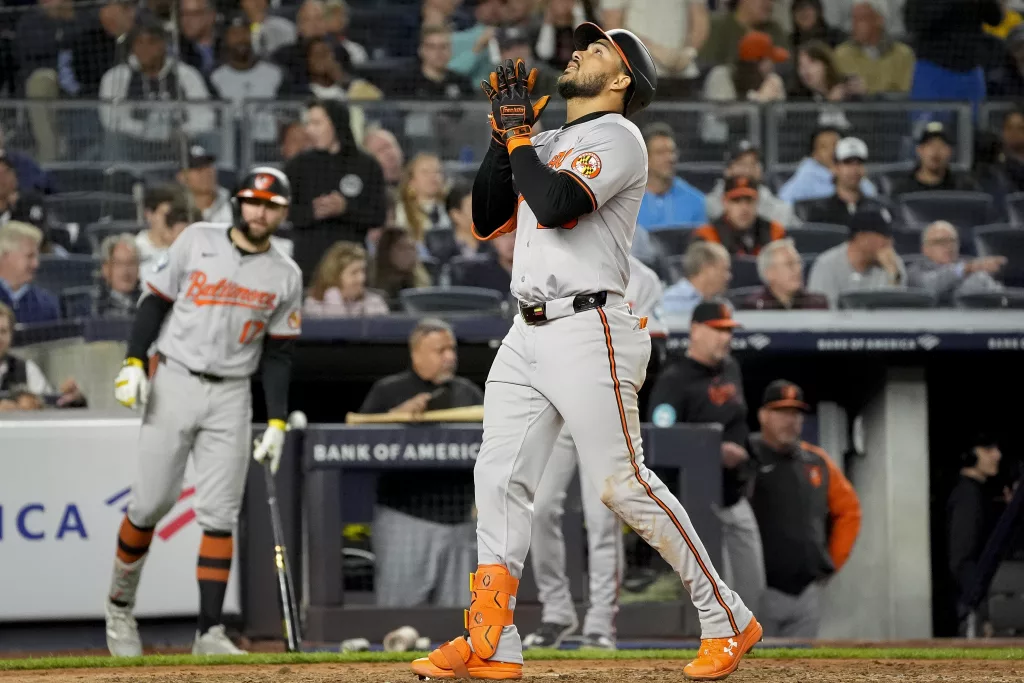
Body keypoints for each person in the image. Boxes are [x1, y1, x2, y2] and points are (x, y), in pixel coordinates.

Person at [411, 25, 760, 681]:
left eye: (597, 50)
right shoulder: (551, 139)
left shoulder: (619, 137)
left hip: (588, 323)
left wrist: (518, 143)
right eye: (580, 45)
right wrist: (501, 139)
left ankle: (727, 615)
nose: (577, 51)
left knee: (621, 486)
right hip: (527, 328)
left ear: (623, 78)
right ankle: (492, 636)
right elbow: (487, 218)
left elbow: (559, 203)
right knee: (498, 476)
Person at [104, 167, 303, 657]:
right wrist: (134, 361)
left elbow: (278, 354)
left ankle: (209, 633)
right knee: (149, 505)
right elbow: (154, 302)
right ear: (238, 202)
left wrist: (276, 418)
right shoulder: (197, 240)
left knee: (219, 514)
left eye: (271, 205)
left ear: (283, 211)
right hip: (174, 379)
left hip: (233, 392)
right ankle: (119, 611)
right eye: (253, 201)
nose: (260, 212)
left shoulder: (286, 274)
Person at [522, 254, 665, 651]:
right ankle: (557, 612)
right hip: (558, 405)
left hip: (603, 406)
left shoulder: (644, 277)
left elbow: (649, 344)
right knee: (541, 506)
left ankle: (601, 621)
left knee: (602, 518)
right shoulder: (556, 263)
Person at [648, 302, 765, 632]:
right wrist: (713, 451)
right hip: (697, 505)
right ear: (696, 330)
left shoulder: (731, 369)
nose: (725, 338)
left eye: (728, 331)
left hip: (735, 495)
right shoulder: (674, 379)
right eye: (718, 330)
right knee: (716, 591)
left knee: (753, 588)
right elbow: (661, 442)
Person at [360, 319, 484, 609]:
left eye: (452, 349)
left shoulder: (469, 393)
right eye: (439, 351)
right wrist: (396, 418)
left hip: (460, 519)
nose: (450, 357)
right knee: (399, 616)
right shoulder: (388, 391)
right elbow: (359, 443)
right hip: (405, 518)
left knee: (459, 618)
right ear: (416, 353)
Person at [748, 380, 862, 638]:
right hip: (756, 591)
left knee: (799, 669)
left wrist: (832, 561)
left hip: (806, 593)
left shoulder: (816, 461)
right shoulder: (747, 455)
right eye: (781, 412)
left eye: (796, 413)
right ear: (763, 415)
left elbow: (850, 511)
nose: (790, 420)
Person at [284, 99, 388, 279]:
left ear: (337, 123)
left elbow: (378, 215)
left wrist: (345, 209)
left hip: (351, 266)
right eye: (308, 123)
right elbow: (286, 212)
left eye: (317, 123)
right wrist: (313, 212)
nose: (309, 130)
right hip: (309, 264)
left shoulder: (366, 165)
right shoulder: (298, 165)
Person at [948, 435, 1004, 636]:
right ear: (970, 455)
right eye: (988, 449)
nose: (997, 455)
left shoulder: (974, 493)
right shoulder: (967, 496)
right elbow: (962, 560)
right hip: (971, 606)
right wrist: (982, 611)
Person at [807, 208, 906, 307]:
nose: (890, 242)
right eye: (884, 236)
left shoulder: (893, 263)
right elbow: (820, 313)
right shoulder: (827, 265)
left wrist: (893, 276)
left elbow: (895, 312)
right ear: (861, 237)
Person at [0, 301, 85, 409]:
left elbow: (48, 408)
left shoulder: (25, 369)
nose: (0, 338)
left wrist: (72, 401)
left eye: (3, 331)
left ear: (11, 335)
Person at [908, 221, 1005, 304]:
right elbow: (930, 287)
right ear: (925, 249)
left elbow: (995, 293)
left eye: (952, 241)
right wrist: (965, 269)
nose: (948, 247)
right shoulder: (915, 271)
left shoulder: (972, 267)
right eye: (940, 241)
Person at [832, 0, 915, 96]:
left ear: (879, 20)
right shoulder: (841, 55)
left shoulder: (903, 55)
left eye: (860, 19)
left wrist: (868, 93)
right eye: (853, 19)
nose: (853, 25)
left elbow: (905, 98)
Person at [800, 137, 887, 227]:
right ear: (835, 167)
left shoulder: (878, 209)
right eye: (847, 163)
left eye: (859, 163)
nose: (854, 169)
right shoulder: (820, 212)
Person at [707, 141, 795, 228]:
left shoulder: (780, 209)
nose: (748, 170)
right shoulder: (708, 205)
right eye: (741, 164)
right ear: (728, 171)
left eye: (753, 164)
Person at [779, 126, 878, 204]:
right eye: (824, 147)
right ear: (814, 154)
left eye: (835, 144)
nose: (832, 151)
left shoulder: (853, 172)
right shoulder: (806, 176)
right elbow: (784, 202)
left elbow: (871, 195)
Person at [692, 176, 786, 256]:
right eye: (736, 201)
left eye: (749, 201)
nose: (744, 208)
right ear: (725, 203)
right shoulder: (707, 235)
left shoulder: (773, 231)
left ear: (757, 202)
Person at [636, 123, 706, 229]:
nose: (670, 158)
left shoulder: (696, 201)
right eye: (661, 153)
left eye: (672, 152)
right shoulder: (626, 202)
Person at [889, 122, 982, 198]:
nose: (935, 151)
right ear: (919, 150)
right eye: (930, 145)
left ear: (950, 151)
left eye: (941, 145)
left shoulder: (964, 189)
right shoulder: (903, 190)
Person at [303, 241, 389, 316]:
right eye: (354, 272)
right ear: (334, 275)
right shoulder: (313, 304)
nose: (362, 278)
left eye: (363, 271)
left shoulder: (374, 303)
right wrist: (334, 299)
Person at [739, 238, 829, 310]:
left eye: (799, 263)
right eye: (789, 264)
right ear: (769, 273)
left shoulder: (817, 304)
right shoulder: (755, 306)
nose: (797, 269)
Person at [0, 221, 60, 324]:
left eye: (36, 257)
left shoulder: (46, 304)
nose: (36, 264)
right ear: (5, 256)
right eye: (29, 256)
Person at [662, 240, 732, 316]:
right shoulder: (670, 301)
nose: (728, 276)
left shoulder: (723, 304)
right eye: (724, 270)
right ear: (708, 269)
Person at [395, 153, 451, 243]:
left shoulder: (451, 207)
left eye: (437, 172)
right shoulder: (402, 211)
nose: (433, 176)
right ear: (411, 181)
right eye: (425, 172)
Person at [369, 227, 432, 301]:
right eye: (402, 248)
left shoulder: (421, 281)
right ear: (387, 253)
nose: (410, 254)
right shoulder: (372, 290)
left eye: (412, 248)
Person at [94, 233, 142, 317]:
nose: (126, 271)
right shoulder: (94, 305)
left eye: (131, 263)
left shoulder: (148, 303)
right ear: (106, 269)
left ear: (138, 268)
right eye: (119, 264)